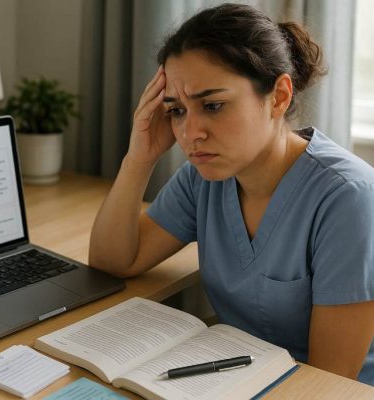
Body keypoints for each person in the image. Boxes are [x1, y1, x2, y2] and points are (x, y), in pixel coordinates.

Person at [89, 3, 374, 385]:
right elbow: (115, 261)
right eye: (176, 111)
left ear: (279, 97)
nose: (191, 134)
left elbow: (328, 382)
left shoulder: (348, 199)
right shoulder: (204, 178)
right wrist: (139, 158)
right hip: (237, 378)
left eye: (213, 105)